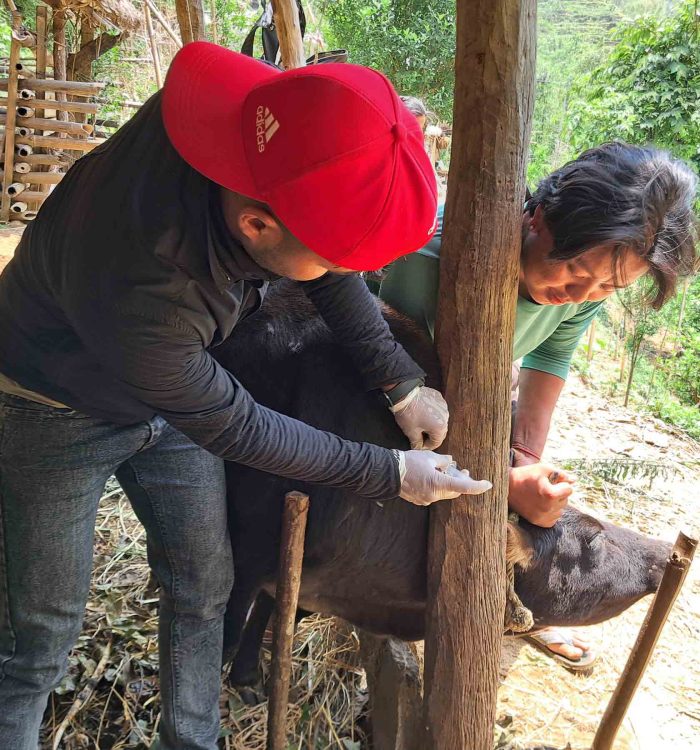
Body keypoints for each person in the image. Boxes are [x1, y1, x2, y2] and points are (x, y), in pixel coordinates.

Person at [0, 43, 492, 750]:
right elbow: (236, 426)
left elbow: (319, 262)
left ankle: (192, 740)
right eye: (323, 254)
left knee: (205, 582)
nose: (330, 271)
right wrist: (389, 473)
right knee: (39, 634)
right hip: (50, 403)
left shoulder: (253, 136)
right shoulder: (150, 284)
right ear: (256, 226)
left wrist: (400, 378)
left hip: (171, 391)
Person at [378, 142, 698, 668]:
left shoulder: (587, 288)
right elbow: (405, 401)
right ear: (538, 217)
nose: (582, 293)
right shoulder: (431, 263)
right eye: (574, 269)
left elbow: (548, 360)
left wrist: (525, 463)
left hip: (471, 388)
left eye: (608, 287)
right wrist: (499, 482)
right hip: (398, 395)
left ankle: (522, 608)